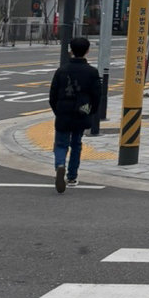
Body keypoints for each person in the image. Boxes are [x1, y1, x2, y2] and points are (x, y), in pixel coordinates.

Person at [48, 37, 102, 193]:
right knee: (76, 143)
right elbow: (97, 95)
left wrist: (58, 110)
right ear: (87, 50)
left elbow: (52, 95)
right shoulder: (92, 72)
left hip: (64, 110)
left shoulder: (62, 70)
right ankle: (72, 176)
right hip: (82, 110)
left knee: (60, 143)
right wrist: (91, 112)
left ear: (70, 50)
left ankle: (59, 165)